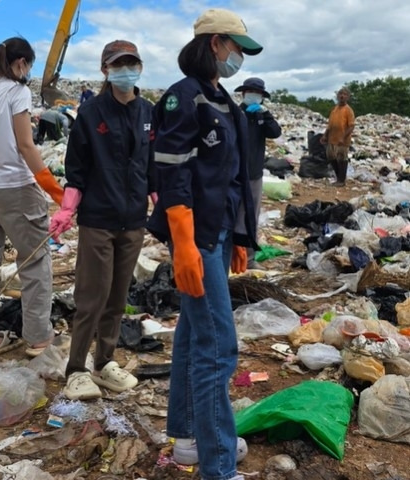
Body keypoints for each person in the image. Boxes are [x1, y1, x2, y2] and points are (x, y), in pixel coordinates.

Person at [147, 9, 262, 480]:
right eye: (236, 47)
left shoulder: (225, 103)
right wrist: (185, 245)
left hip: (214, 233)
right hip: (193, 237)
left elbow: (231, 178)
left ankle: (192, 439)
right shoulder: (184, 97)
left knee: (195, 338)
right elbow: (172, 172)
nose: (239, 57)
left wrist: (239, 236)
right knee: (219, 346)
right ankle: (218, 467)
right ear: (215, 44)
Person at [49, 39, 157, 400]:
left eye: (132, 63)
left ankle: (104, 362)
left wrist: (162, 202)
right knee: (91, 297)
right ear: (106, 70)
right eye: (118, 64)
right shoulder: (92, 113)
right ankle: (76, 369)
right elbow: (77, 169)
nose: (126, 70)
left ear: (139, 67)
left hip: (133, 221)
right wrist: (67, 209)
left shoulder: (147, 112)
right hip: (98, 219)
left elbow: (151, 167)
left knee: (117, 296)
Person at [0, 37, 64, 360]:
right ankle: (38, 339)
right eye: (29, 64)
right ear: (20, 63)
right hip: (16, 188)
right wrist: (56, 191)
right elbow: (26, 145)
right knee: (34, 262)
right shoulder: (19, 92)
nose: (29, 70)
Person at [234, 77, 282, 268]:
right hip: (234, 174)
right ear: (244, 93)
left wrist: (266, 115)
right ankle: (230, 255)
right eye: (251, 92)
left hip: (254, 174)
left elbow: (275, 133)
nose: (254, 96)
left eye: (258, 93)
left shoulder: (261, 116)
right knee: (232, 215)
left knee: (251, 217)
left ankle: (250, 259)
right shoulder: (235, 113)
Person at [320, 87, 355, 187]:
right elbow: (330, 125)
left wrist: (343, 137)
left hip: (343, 140)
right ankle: (338, 177)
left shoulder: (348, 110)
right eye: (340, 94)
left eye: (344, 94)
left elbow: (351, 126)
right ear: (337, 96)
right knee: (331, 157)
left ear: (348, 97)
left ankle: (341, 180)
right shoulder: (335, 109)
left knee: (342, 159)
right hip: (332, 138)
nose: (342, 96)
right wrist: (325, 135)